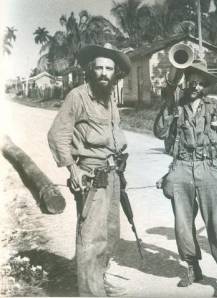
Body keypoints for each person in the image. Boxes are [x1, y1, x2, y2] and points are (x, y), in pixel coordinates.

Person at [47, 43, 131, 296]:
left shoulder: (109, 99)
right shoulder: (78, 96)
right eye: (99, 68)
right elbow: (57, 135)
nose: (104, 73)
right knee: (91, 236)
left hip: (113, 173)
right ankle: (90, 292)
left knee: (110, 233)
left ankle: (98, 279)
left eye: (109, 68)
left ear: (114, 72)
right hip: (91, 176)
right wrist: (73, 169)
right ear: (90, 70)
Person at [153, 59, 217, 297]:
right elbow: (159, 132)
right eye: (192, 80)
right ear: (186, 80)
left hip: (209, 166)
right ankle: (192, 267)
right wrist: (167, 104)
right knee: (182, 222)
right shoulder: (176, 106)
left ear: (206, 86)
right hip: (181, 166)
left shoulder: (215, 107)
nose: (195, 86)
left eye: (201, 83)